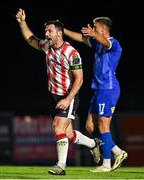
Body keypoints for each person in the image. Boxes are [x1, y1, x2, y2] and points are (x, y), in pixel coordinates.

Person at [15, 8, 101, 176]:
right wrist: (22, 23)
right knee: (68, 134)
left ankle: (61, 166)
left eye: (49, 31)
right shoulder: (47, 46)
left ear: (59, 34)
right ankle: (93, 144)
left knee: (57, 126)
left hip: (68, 95)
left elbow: (79, 79)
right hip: (54, 96)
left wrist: (68, 99)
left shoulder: (71, 53)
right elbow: (32, 40)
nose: (46, 34)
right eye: (46, 31)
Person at [64, 17, 128, 172]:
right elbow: (80, 38)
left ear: (103, 29)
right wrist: (63, 30)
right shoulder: (97, 42)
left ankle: (106, 164)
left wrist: (93, 34)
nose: (92, 28)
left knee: (103, 125)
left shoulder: (114, 43)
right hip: (99, 89)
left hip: (109, 89)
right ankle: (118, 152)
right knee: (89, 126)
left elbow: (106, 42)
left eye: (95, 27)